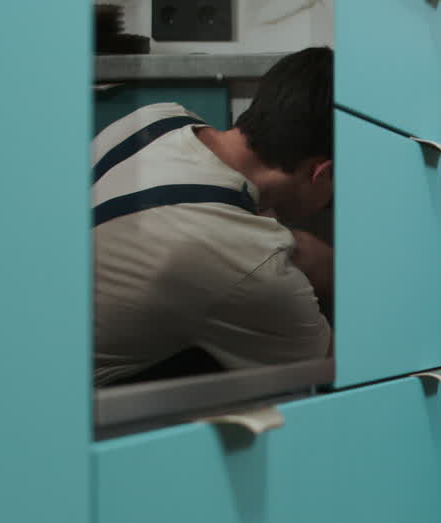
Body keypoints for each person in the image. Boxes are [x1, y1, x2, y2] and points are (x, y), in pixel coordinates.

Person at [91, 47, 334, 386]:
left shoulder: (157, 119)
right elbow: (342, 363)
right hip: (62, 410)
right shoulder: (249, 265)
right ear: (321, 173)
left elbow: (250, 248)